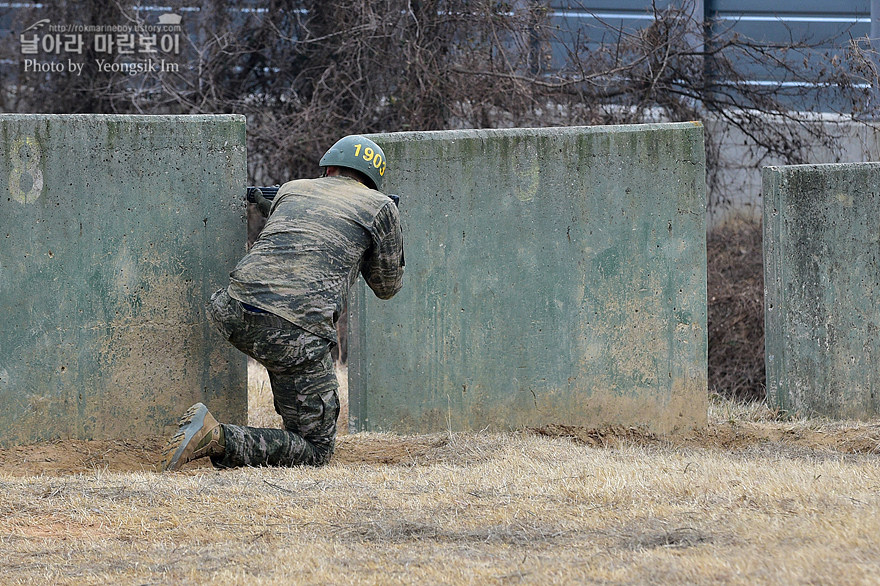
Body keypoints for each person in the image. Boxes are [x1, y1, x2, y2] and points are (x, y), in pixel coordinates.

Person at [160, 135, 405, 471]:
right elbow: (387, 287)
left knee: (287, 358)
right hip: (294, 332)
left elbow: (295, 227)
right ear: (372, 179)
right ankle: (216, 436)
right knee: (315, 450)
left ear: (329, 166)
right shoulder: (381, 207)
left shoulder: (292, 189)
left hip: (231, 309)